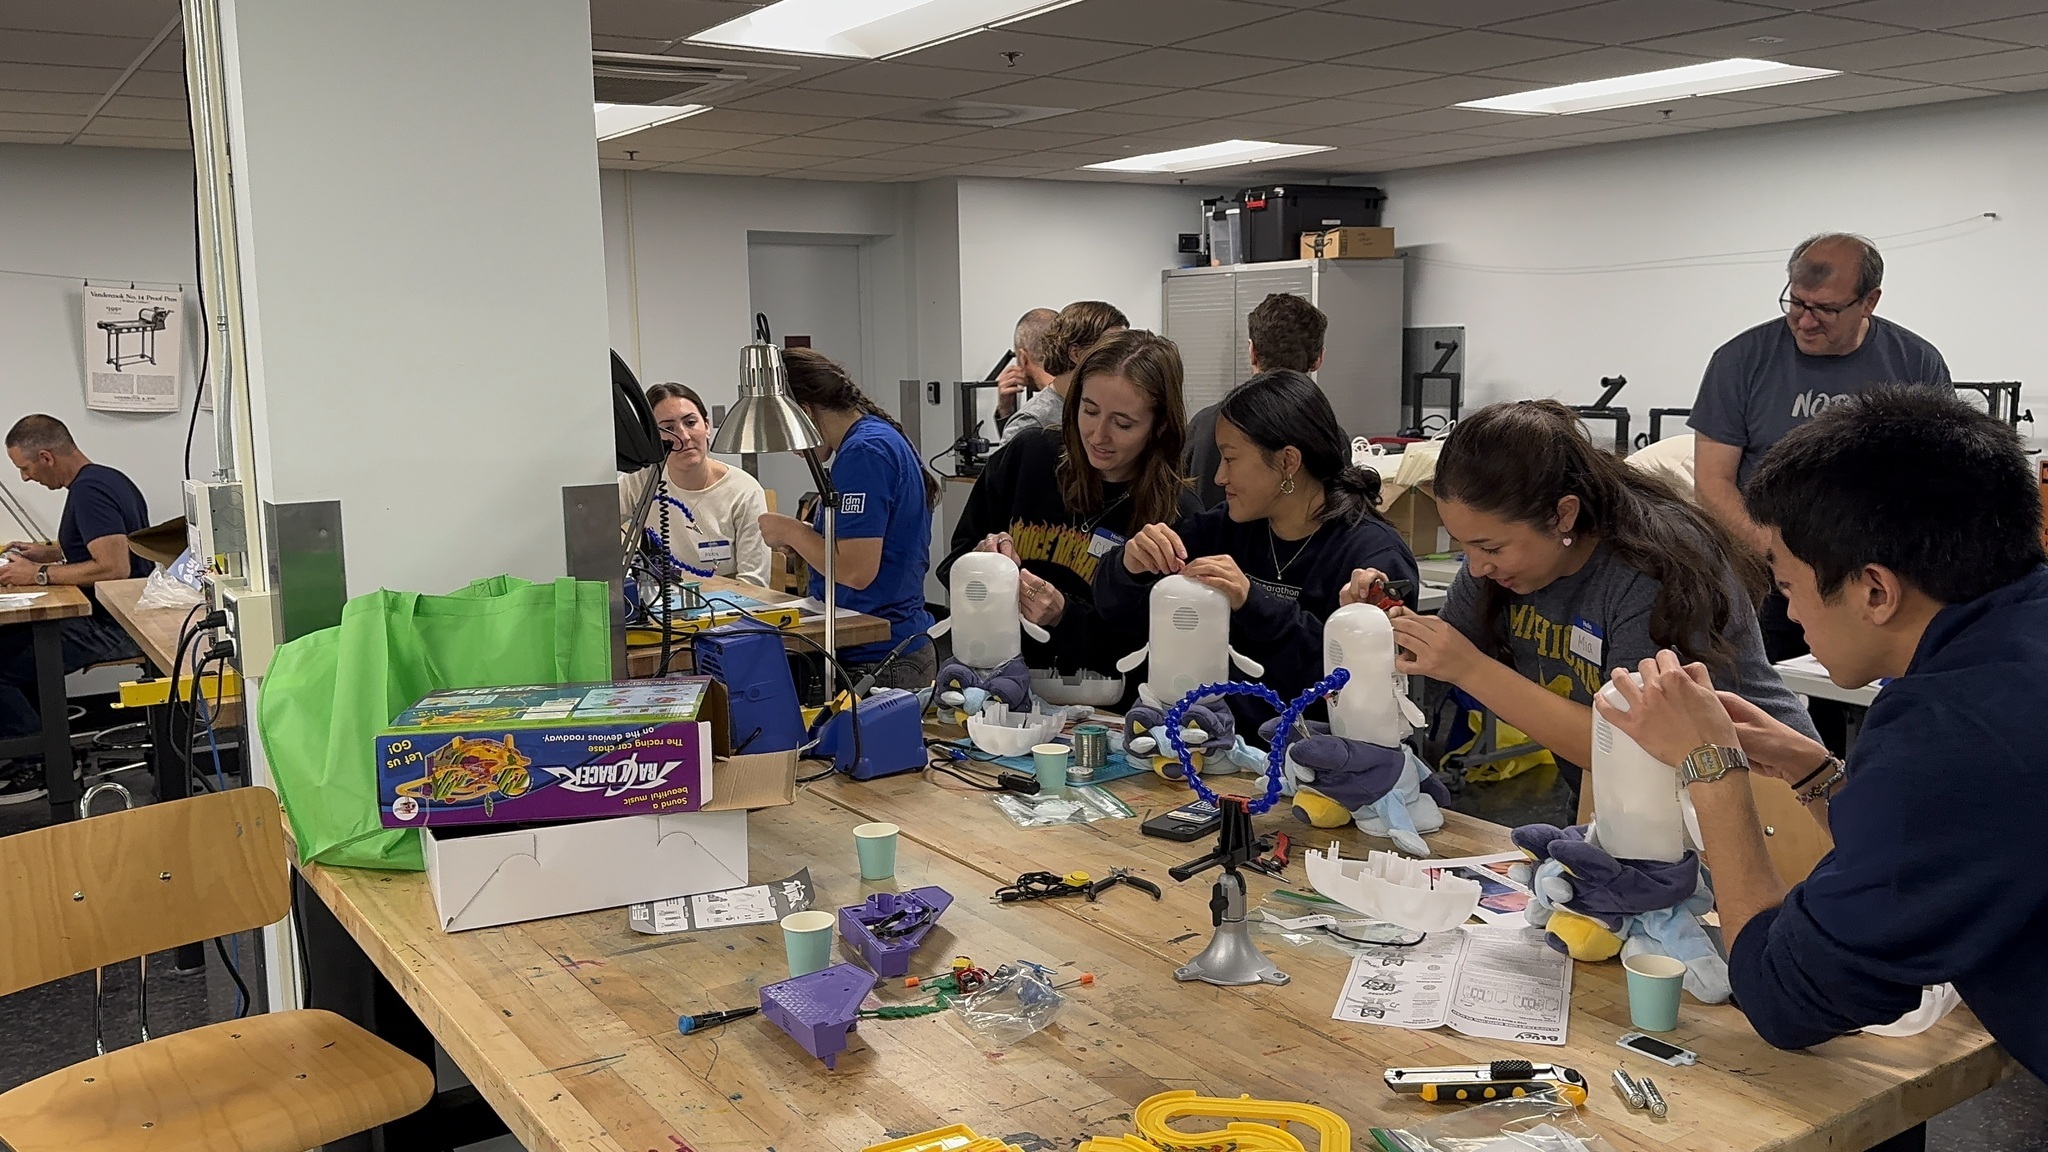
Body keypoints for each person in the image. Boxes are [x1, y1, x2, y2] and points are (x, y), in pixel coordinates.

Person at [1598, 387, 2048, 1080]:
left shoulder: (1950, 734)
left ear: (1876, 590)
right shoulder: (2010, 653)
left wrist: (1709, 768)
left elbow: (1784, 997)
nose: (1789, 610)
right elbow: (1935, 858)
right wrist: (1818, 775)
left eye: (1786, 583)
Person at [1349, 399, 1814, 801]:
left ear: (1563, 515)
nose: (1475, 567)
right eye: (1462, 545)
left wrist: (1471, 668)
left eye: (1490, 547)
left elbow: (1637, 744)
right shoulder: (1499, 569)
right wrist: (1378, 628)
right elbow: (1428, 665)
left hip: (1765, 801)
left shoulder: (1656, 565)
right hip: (1622, 803)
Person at [1690, 233, 1951, 665]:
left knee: (1878, 699)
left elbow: (1934, 478)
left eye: (1826, 309)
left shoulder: (1915, 364)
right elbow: (1712, 483)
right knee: (1775, 699)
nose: (1806, 322)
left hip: (1876, 577)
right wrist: (1786, 560)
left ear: (1869, 301)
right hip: (1768, 576)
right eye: (1796, 303)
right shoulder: (1740, 361)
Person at [1096, 369, 1415, 722]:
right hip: (1217, 749)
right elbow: (1117, 613)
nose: (1219, 477)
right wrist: (1129, 565)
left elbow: (1345, 684)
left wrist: (1253, 603)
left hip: (1314, 761)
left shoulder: (1370, 555)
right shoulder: (1224, 529)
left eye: (1230, 458)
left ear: (1287, 461)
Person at [940, 330, 1204, 691]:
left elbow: (1163, 648)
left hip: (1110, 704)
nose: (1098, 436)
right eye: (1089, 411)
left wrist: (1065, 616)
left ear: (1159, 425)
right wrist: (982, 567)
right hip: (1000, 688)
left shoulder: (1177, 514)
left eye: (1123, 423)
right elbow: (951, 565)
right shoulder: (1028, 457)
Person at [758, 348, 939, 690]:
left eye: (789, 435)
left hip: (879, 657)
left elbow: (856, 570)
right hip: (884, 648)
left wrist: (793, 531)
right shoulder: (876, 439)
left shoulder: (864, 453)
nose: (794, 451)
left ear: (806, 413)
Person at [1, 415, 151, 803]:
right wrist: (50, 553)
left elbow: (114, 568)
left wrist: (37, 574)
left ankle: (42, 763)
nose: (26, 478)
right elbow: (102, 548)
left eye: (25, 468)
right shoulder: (105, 478)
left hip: (114, 626)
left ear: (46, 456)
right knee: (13, 643)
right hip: (120, 615)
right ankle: (45, 747)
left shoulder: (89, 492)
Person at [1186, 292, 1327, 510]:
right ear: (1318, 359)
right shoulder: (1328, 434)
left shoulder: (1203, 424)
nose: (1222, 477)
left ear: (1252, 351)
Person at [628, 382, 770, 586]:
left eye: (690, 422)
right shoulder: (641, 481)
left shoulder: (744, 491)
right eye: (669, 428)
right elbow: (594, 522)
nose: (684, 436)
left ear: (707, 426)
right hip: (662, 605)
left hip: (728, 607)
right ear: (652, 438)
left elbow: (754, 581)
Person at [997, 300, 1127, 446]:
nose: (1121, 361)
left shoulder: (1101, 406)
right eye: (1110, 352)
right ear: (1076, 353)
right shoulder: (1032, 422)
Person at [992, 307, 1056, 429]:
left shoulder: (1029, 420)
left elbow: (1013, 447)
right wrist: (1006, 411)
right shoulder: (1087, 399)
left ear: (1023, 358)